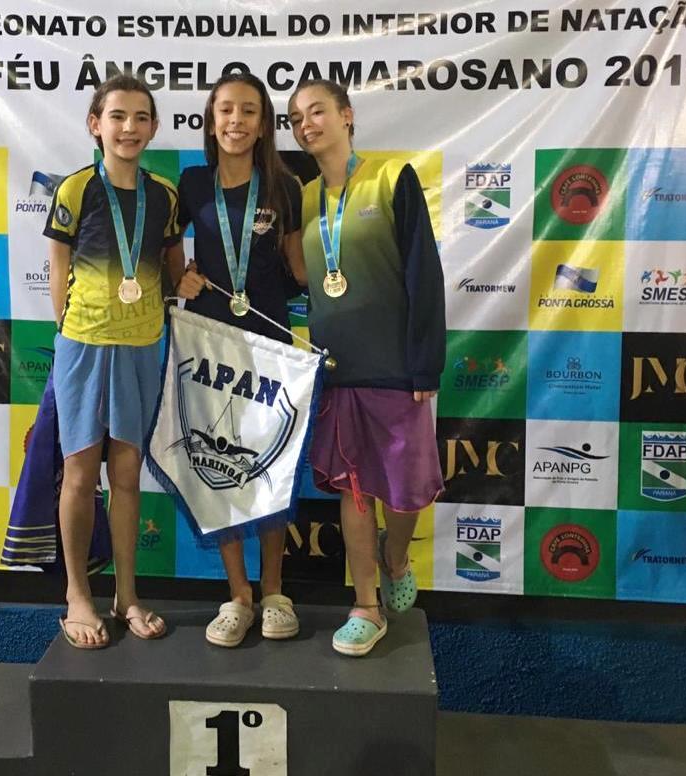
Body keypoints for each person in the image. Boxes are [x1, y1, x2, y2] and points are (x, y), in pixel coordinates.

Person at [287, 79, 446, 657]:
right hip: (338, 367)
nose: (307, 124)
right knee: (353, 491)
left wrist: (425, 364)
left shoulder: (391, 177)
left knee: (405, 494)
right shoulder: (303, 198)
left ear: (347, 115)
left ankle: (395, 556)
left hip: (398, 367)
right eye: (297, 118)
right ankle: (366, 606)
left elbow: (424, 273)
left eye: (318, 111)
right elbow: (294, 276)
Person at [167, 73, 306, 648]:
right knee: (219, 461)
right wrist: (179, 278)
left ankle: (274, 592)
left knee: (270, 465)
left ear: (264, 124)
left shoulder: (286, 185)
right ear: (211, 118)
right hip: (209, 342)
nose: (236, 121)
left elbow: (300, 268)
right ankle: (239, 596)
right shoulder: (192, 182)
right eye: (226, 109)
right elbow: (169, 250)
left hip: (270, 343)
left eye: (249, 111)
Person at [43, 74, 180, 648]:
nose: (130, 127)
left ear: (153, 127)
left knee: (126, 475)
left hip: (142, 346)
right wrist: (71, 332)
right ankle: (78, 595)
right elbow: (57, 269)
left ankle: (127, 594)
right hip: (83, 344)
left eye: (141, 117)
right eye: (118, 116)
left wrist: (186, 285)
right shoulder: (75, 190)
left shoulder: (164, 195)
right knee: (79, 474)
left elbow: (172, 269)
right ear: (95, 124)